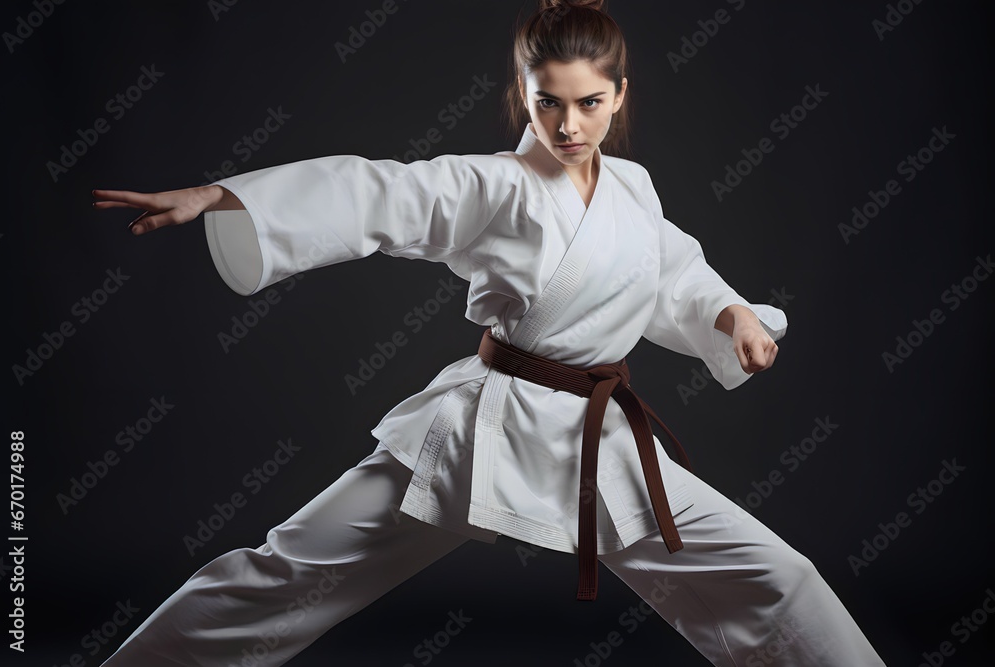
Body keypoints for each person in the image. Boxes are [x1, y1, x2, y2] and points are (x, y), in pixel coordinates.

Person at [91, 1, 887, 664]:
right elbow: (381, 195)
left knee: (775, 577)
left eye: (587, 103)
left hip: (596, 444)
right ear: (523, 92)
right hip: (485, 432)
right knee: (289, 569)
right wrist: (226, 198)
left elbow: (670, 272)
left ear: (619, 95)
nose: (567, 124)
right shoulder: (497, 184)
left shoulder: (633, 189)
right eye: (547, 102)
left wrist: (732, 315)